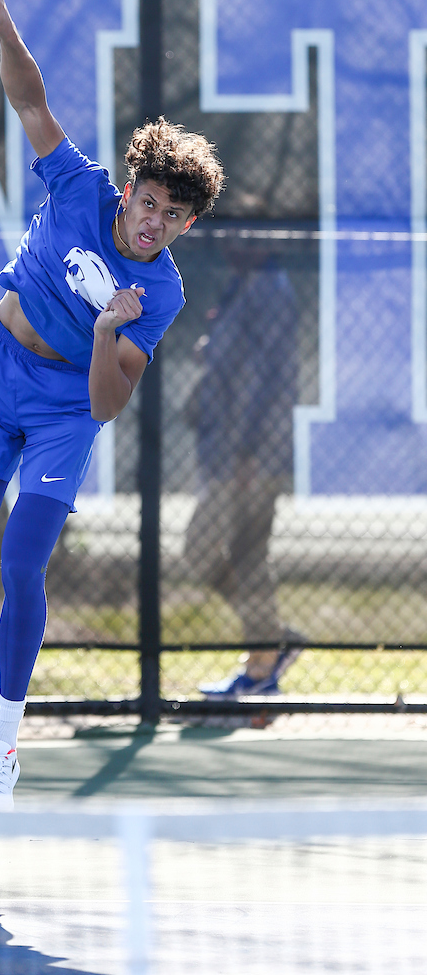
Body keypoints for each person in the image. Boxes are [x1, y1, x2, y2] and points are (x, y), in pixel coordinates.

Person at [0, 0, 224, 811]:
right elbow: (29, 98)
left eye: (174, 216)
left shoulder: (159, 295)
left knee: (21, 563)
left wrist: (101, 334)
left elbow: (105, 407)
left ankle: (5, 748)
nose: (155, 223)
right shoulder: (78, 185)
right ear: (128, 192)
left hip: (63, 408)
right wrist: (4, 25)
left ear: (187, 227)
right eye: (149, 203)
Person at [184, 244, 305, 697]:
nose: (232, 245)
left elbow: (277, 378)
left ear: (266, 243)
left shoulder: (271, 290)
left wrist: (251, 452)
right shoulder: (243, 286)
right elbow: (239, 360)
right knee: (215, 551)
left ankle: (262, 666)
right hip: (226, 449)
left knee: (235, 550)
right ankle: (272, 640)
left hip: (251, 454)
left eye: (246, 236)